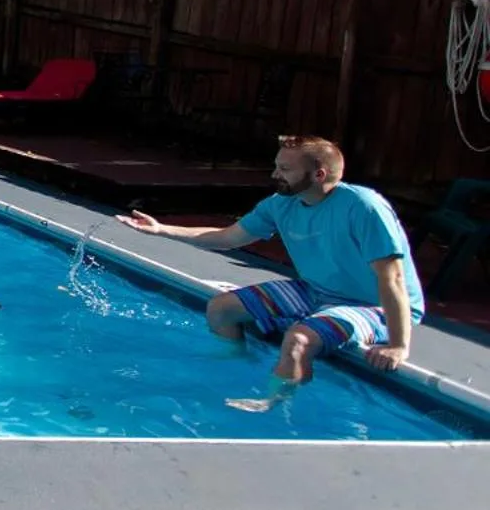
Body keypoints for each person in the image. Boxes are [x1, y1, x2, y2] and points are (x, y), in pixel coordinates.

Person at [115, 135, 424, 389]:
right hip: (316, 291)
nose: (275, 175)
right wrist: (161, 229)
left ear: (319, 175)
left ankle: (275, 404)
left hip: (373, 305)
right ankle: (232, 372)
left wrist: (398, 344)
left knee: (298, 340)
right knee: (221, 309)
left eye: (285, 169)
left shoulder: (363, 207)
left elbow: (392, 279)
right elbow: (228, 237)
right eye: (277, 166)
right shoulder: (281, 204)